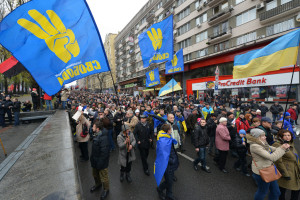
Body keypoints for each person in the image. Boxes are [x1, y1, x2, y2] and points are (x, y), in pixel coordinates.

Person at [246, 128, 290, 200]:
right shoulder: (255, 146)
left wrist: (284, 148)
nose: (265, 137)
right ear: (257, 137)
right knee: (262, 192)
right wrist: (282, 148)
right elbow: (272, 157)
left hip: (269, 169)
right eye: (263, 136)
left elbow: (271, 148)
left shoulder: (262, 142)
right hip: (261, 172)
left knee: (276, 192)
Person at [272, 129, 300, 200]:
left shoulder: (290, 143)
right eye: (285, 135)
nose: (287, 137)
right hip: (287, 171)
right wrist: (285, 174)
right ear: (281, 136)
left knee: (295, 189)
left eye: (289, 135)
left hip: (294, 170)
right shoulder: (278, 145)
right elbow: (278, 161)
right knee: (283, 189)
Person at [156, 124, 179, 200]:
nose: (171, 130)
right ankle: (160, 189)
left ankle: (169, 194)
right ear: (168, 130)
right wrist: (172, 160)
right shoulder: (163, 140)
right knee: (168, 181)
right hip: (167, 165)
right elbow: (162, 155)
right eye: (170, 129)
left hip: (170, 164)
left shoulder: (166, 137)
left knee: (170, 180)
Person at [89, 120, 110, 200]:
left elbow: (104, 153)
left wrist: (100, 163)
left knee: (104, 177)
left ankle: (106, 189)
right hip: (95, 160)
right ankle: (98, 184)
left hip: (101, 162)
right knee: (95, 175)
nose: (92, 128)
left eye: (93, 127)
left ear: (97, 129)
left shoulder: (103, 138)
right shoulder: (97, 134)